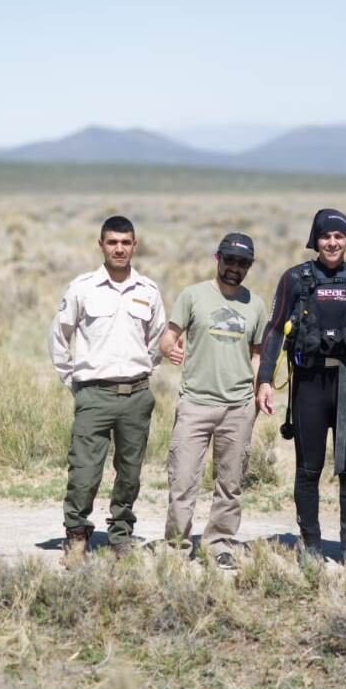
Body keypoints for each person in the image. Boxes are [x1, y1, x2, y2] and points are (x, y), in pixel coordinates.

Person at [256, 209, 346, 568]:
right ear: (315, 240)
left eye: (339, 236)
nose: (332, 243)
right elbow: (273, 331)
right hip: (309, 385)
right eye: (325, 236)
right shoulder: (295, 280)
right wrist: (264, 380)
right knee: (309, 468)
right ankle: (311, 543)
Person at [48, 215, 166, 561]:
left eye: (125, 242)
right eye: (112, 242)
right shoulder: (82, 287)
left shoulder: (148, 290)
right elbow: (59, 337)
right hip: (93, 395)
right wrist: (75, 383)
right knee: (84, 471)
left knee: (130, 472)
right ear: (101, 245)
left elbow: (159, 340)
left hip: (136, 396)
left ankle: (121, 534)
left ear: (134, 245)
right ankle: (76, 534)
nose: (119, 248)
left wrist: (143, 373)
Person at [159, 233, 266, 570]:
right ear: (217, 258)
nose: (235, 268)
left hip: (238, 406)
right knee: (183, 481)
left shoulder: (256, 305)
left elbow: (258, 354)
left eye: (242, 263)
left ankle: (219, 543)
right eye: (230, 260)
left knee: (230, 484)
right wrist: (168, 348)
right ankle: (176, 546)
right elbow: (169, 336)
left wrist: (259, 389)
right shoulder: (193, 296)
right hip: (195, 403)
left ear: (249, 266)